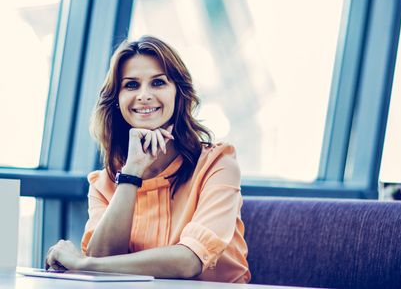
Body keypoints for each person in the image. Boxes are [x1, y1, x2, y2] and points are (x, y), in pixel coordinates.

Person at [45, 35, 251, 283]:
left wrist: (83, 263)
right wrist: (131, 173)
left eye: (158, 83)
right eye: (131, 85)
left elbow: (189, 261)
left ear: (178, 93)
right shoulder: (104, 183)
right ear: (117, 100)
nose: (144, 95)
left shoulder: (218, 164)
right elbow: (102, 259)